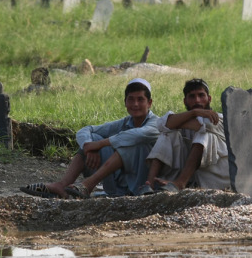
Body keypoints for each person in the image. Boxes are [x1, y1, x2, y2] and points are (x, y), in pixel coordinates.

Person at [20, 78, 159, 199]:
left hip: (142, 183)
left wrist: (99, 144)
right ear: (125, 102)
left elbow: (138, 135)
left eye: (140, 99)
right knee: (92, 137)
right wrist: (89, 146)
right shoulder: (124, 122)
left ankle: (88, 185)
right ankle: (62, 185)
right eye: (131, 99)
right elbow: (85, 130)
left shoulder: (156, 123)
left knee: (131, 142)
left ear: (149, 103)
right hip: (118, 184)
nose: (135, 104)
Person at [138, 78, 229, 195]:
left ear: (209, 99)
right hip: (194, 178)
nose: (197, 100)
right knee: (168, 134)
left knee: (204, 135)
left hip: (216, 176)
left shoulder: (218, 118)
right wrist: (194, 113)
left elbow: (203, 126)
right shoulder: (188, 116)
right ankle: (148, 184)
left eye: (201, 95)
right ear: (185, 101)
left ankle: (179, 183)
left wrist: (176, 122)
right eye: (192, 97)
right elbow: (161, 125)